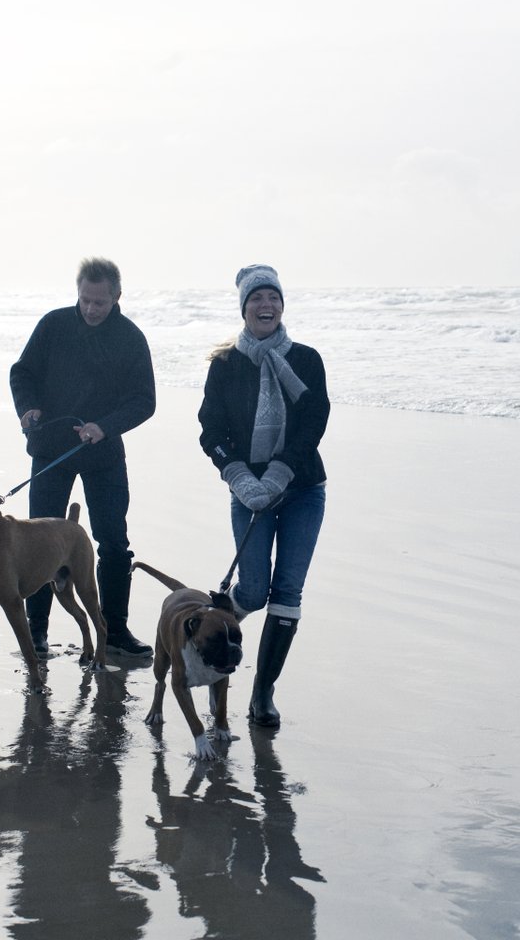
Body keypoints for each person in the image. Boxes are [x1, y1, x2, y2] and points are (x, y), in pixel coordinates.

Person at [198, 264, 329, 728]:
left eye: (273, 297)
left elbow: (313, 424)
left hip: (302, 491)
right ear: (244, 307)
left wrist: (279, 473)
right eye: (256, 298)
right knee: (252, 589)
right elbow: (210, 430)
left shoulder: (307, 360)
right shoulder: (225, 364)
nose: (265, 305)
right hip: (247, 492)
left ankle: (262, 695)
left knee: (287, 590)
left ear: (282, 306)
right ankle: (203, 638)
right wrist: (237, 475)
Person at [10, 257, 156, 658]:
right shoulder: (53, 325)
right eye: (85, 300)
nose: (91, 309)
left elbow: (144, 401)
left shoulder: (129, 337)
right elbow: (21, 373)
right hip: (51, 449)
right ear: (78, 293)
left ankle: (115, 631)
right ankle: (36, 631)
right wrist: (28, 407)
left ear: (117, 297)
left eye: (100, 302)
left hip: (103, 453)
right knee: (39, 541)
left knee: (113, 542)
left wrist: (104, 426)